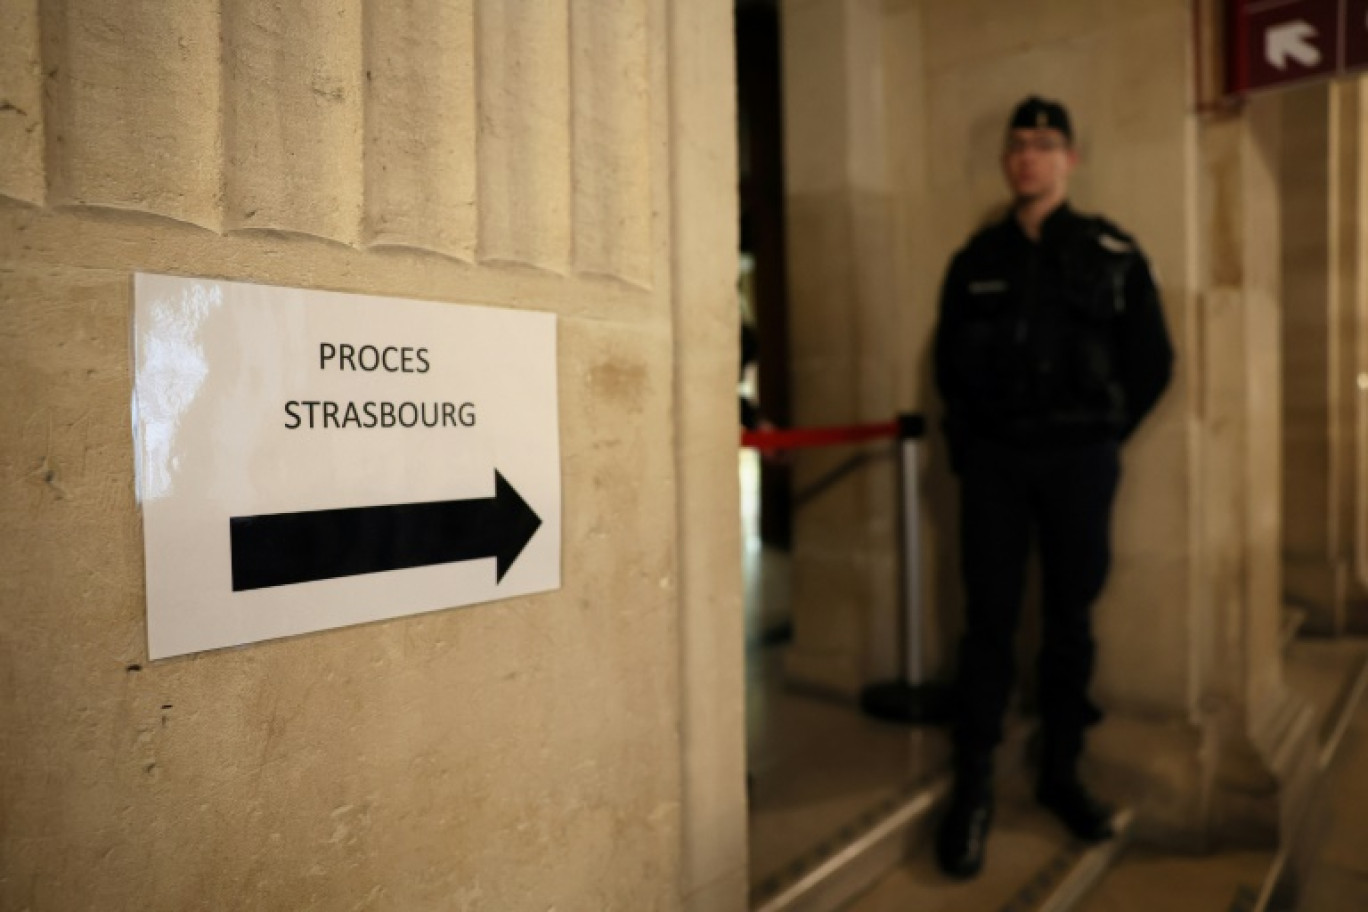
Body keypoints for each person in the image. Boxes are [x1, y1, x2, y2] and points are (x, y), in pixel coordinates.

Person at [931, 96, 1173, 879]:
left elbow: (1153, 360)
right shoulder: (975, 262)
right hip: (998, 466)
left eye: (1044, 144)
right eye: (1017, 146)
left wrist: (1101, 437)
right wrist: (971, 449)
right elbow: (948, 373)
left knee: (1070, 621)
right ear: (1007, 164)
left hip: (1077, 464)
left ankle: (1062, 774)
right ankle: (972, 790)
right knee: (988, 625)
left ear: (1069, 158)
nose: (1028, 156)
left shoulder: (1112, 252)